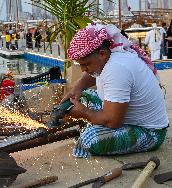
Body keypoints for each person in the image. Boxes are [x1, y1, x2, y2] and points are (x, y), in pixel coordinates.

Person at [64, 23, 168, 158]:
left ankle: (95, 127)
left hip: (150, 132)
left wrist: (84, 112)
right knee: (84, 97)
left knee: (90, 138)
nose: (83, 69)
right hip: (127, 117)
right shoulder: (110, 55)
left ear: (101, 54)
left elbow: (113, 121)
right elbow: (91, 74)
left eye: (85, 64)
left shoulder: (117, 68)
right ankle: (95, 121)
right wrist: (77, 88)